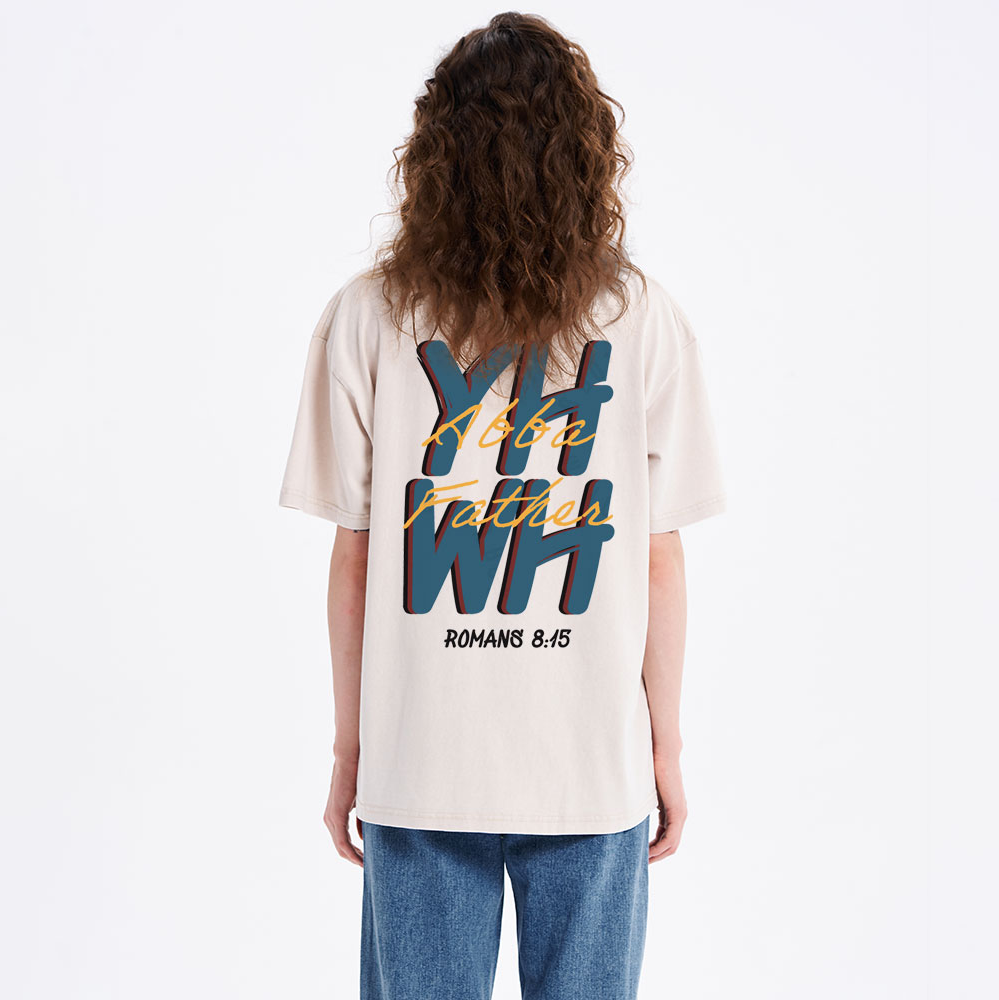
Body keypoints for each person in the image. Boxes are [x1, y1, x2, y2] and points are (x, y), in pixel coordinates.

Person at [279, 12, 725, 999]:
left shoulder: (368, 319)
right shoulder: (640, 320)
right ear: (586, 156)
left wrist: (352, 750)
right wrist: (663, 745)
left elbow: (358, 557)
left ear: (434, 154)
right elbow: (657, 557)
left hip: (421, 760)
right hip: (589, 764)